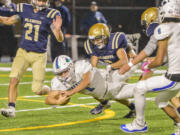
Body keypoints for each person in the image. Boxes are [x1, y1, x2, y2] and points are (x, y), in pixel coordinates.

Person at [120, 0, 180, 134]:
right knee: (161, 101)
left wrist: (146, 64)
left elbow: (158, 60)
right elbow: (170, 54)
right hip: (177, 76)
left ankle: (139, 124)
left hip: (174, 77)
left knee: (139, 88)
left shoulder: (164, 28)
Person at [0, 0, 64, 118]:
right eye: (39, 0)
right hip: (23, 52)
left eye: (44, 1)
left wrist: (58, 30)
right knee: (13, 80)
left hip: (39, 56)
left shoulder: (51, 14)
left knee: (37, 90)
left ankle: (50, 90)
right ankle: (11, 109)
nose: (41, 3)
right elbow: (8, 20)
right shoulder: (25, 9)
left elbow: (59, 39)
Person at [45, 55, 138, 117]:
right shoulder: (58, 81)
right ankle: (105, 104)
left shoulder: (80, 66)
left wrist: (70, 92)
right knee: (95, 92)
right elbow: (48, 99)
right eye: (60, 73)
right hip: (97, 91)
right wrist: (58, 102)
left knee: (124, 91)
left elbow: (86, 81)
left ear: (71, 66)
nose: (63, 76)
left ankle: (135, 58)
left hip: (108, 79)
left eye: (65, 71)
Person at [84, 23, 136, 118]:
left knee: (112, 90)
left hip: (129, 65)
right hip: (113, 67)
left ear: (106, 36)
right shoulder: (93, 46)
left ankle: (135, 105)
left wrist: (110, 66)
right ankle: (105, 103)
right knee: (93, 83)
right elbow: (93, 66)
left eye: (98, 39)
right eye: (93, 40)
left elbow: (124, 62)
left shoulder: (115, 42)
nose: (95, 42)